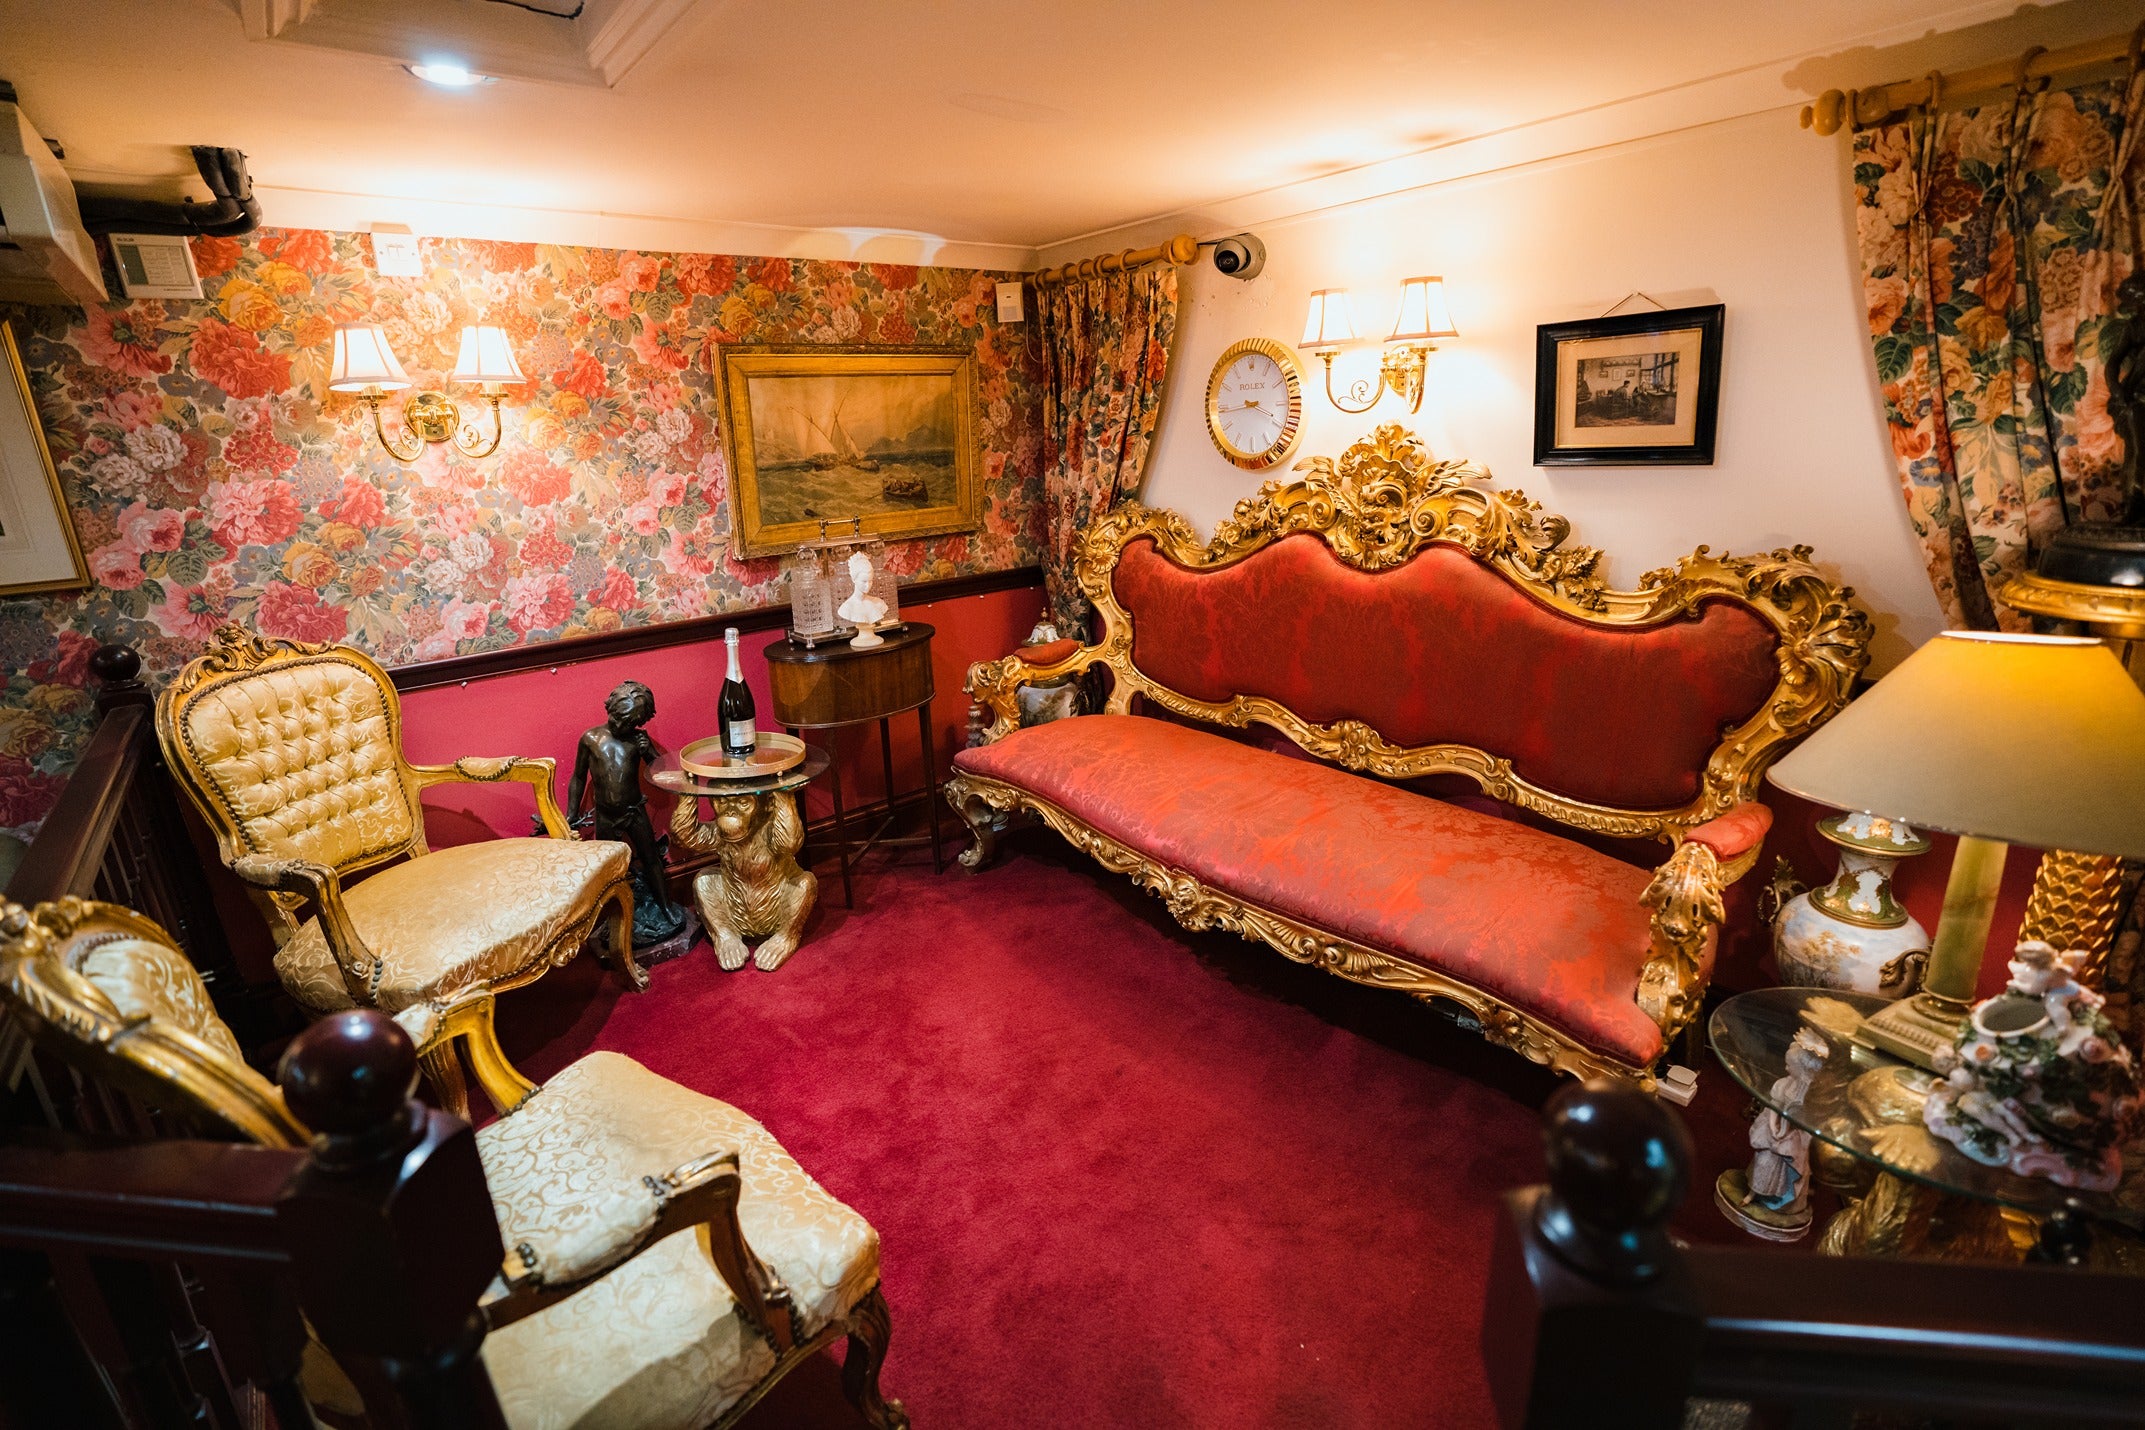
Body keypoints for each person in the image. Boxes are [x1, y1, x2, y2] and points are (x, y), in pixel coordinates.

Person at [567, 680, 683, 938]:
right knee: (608, 868)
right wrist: (571, 815)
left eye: (632, 723)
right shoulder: (591, 739)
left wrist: (649, 754)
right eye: (621, 720)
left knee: (651, 858)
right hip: (605, 816)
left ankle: (664, 906)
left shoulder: (638, 740)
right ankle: (614, 918)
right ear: (611, 710)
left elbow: (660, 772)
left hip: (634, 810)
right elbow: (578, 777)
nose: (624, 727)